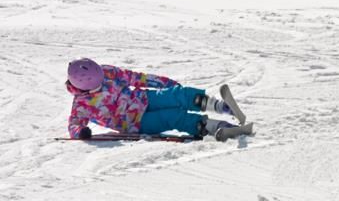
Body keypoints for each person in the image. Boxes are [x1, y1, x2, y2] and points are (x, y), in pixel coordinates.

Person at [65, 58, 252, 141]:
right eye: (97, 86)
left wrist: (167, 84)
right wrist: (81, 132)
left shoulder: (107, 72)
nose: (102, 85)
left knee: (179, 95)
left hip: (142, 99)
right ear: (83, 87)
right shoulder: (81, 106)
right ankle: (217, 127)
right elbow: (74, 125)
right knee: (174, 117)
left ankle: (222, 106)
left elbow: (137, 78)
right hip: (136, 122)